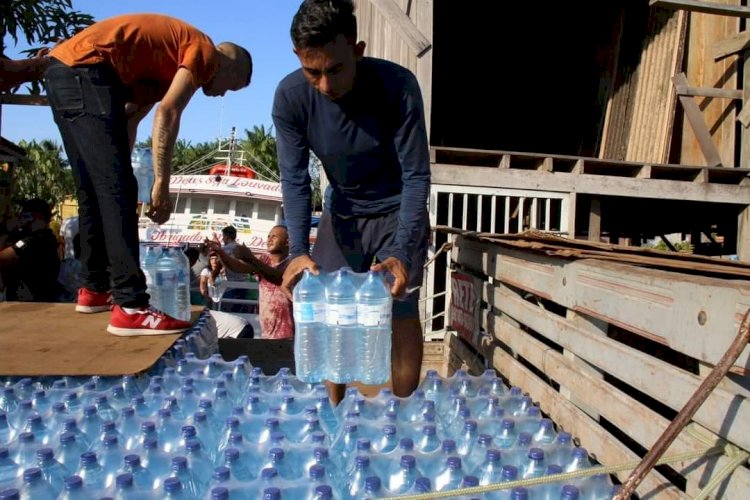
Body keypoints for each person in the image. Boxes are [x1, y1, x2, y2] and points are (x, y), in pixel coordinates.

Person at [42, 13, 253, 335]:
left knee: (94, 187)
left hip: (62, 73)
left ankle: (95, 288)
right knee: (116, 190)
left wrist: (118, 174)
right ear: (228, 65)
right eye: (231, 87)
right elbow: (167, 112)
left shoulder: (159, 68)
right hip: (86, 70)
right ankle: (131, 305)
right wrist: (161, 185)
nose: (223, 94)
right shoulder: (205, 51)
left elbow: (129, 122)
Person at [273, 0, 431, 402]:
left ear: (357, 51)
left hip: (397, 208)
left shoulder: (397, 86)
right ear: (298, 58)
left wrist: (401, 250)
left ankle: (404, 413)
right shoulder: (291, 99)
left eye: (336, 69)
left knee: (400, 308)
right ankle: (334, 414)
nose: (325, 85)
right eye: (313, 72)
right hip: (342, 212)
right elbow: (294, 179)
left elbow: (416, 175)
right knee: (331, 311)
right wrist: (295, 249)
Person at [206, 225, 294, 340]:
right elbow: (237, 267)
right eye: (268, 236)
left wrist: (250, 258)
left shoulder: (293, 263)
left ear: (287, 242)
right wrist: (220, 252)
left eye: (274, 236)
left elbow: (279, 278)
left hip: (288, 333)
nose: (269, 239)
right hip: (267, 331)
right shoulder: (264, 259)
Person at [0, 198, 62, 302]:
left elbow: (2, 257)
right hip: (36, 300)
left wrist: (6, 230)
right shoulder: (45, 236)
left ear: (35, 216)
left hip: (29, 303)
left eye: (24, 215)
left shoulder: (36, 240)